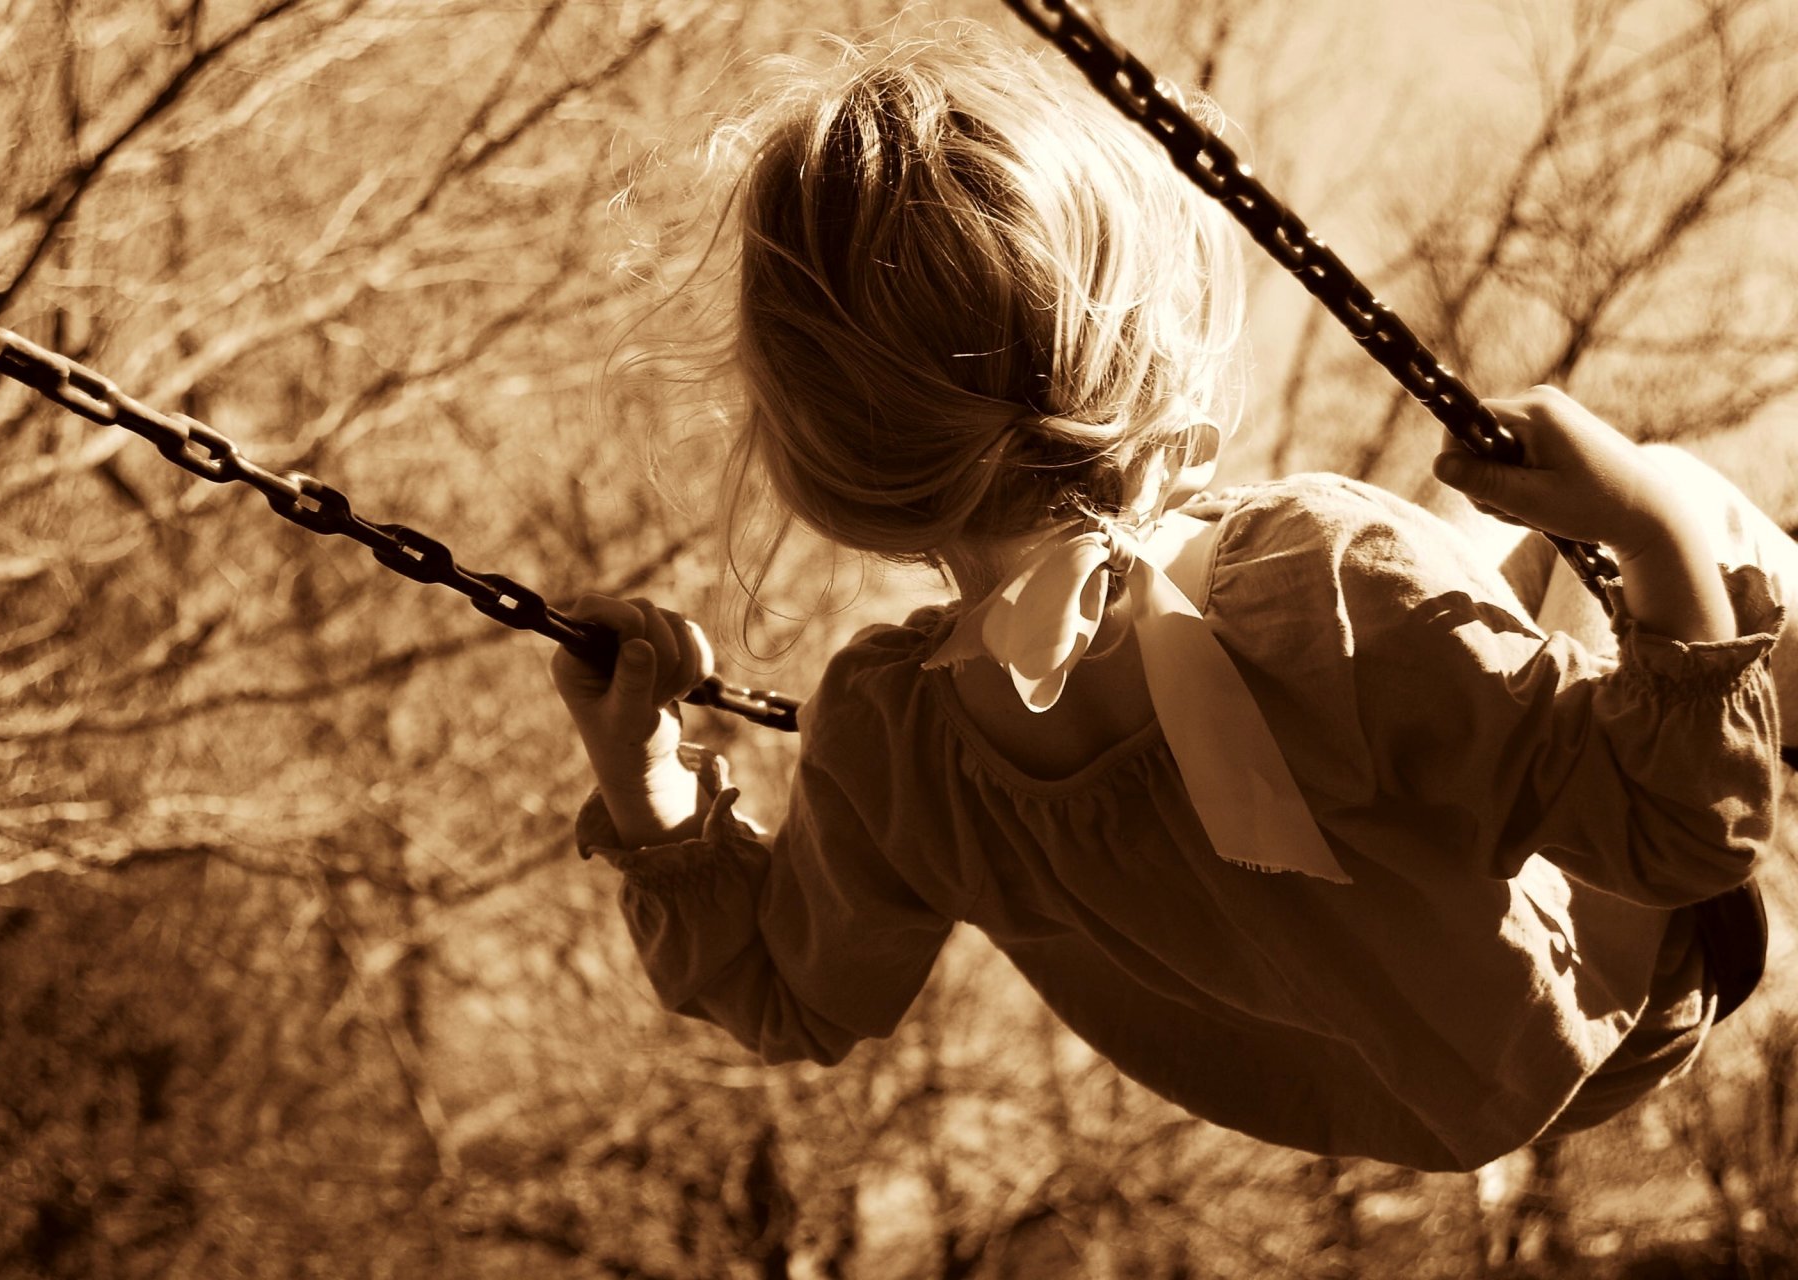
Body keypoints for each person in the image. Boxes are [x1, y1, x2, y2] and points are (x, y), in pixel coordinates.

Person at [548, 29, 1790, 1172]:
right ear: (1153, 349)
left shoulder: (891, 746)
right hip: (1594, 1001)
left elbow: (787, 989)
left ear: (829, 464)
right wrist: (1652, 527)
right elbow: (1679, 829)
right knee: (1668, 496)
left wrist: (649, 789)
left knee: (1481, 549)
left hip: (1377, 1097)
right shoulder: (1325, 582)